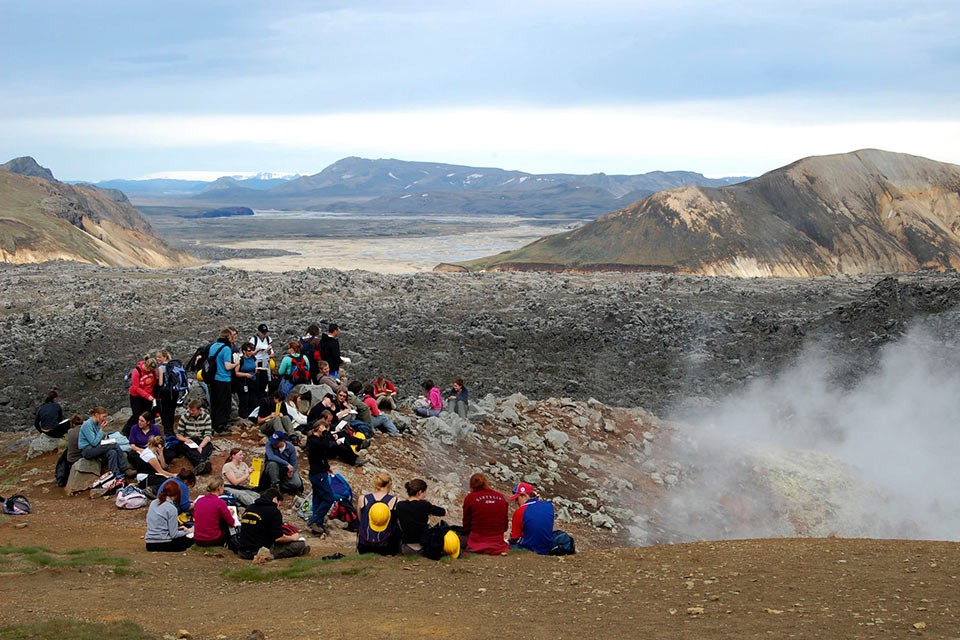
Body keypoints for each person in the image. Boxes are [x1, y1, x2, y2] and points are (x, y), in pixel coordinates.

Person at [235, 488, 309, 560]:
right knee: (299, 545)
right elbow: (279, 538)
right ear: (275, 499)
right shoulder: (274, 511)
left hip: (242, 550)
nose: (278, 507)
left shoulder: (250, 507)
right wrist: (293, 538)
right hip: (259, 550)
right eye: (279, 504)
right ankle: (298, 551)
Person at [396, 479, 446, 555]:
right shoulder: (424, 504)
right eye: (424, 492)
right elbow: (442, 512)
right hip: (423, 547)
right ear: (419, 492)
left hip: (406, 548)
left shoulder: (400, 505)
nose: (425, 495)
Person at [461, 473, 509, 555]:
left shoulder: (470, 498)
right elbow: (505, 525)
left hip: (477, 540)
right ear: (486, 482)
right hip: (498, 541)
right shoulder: (501, 497)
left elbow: (466, 523)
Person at [79, 406, 129, 482]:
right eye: (103, 416)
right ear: (97, 415)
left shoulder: (98, 423)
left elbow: (98, 440)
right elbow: (94, 442)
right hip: (87, 449)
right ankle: (124, 468)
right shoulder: (87, 425)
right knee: (115, 445)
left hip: (95, 447)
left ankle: (115, 474)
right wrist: (102, 429)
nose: (104, 419)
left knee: (112, 452)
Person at [305, 421, 336, 536]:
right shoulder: (313, 440)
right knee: (329, 498)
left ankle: (318, 525)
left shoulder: (318, 440)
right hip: (317, 474)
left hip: (320, 472)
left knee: (318, 499)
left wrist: (327, 467)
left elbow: (322, 454)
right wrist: (326, 434)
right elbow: (325, 445)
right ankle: (313, 520)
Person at [357, 472, 399, 555]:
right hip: (386, 545)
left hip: (365, 544)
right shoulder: (395, 501)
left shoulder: (363, 499)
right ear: (389, 485)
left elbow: (360, 519)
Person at [507, 482, 555, 555]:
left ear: (525, 496)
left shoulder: (520, 512)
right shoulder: (549, 506)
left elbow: (514, 538)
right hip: (547, 548)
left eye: (517, 499)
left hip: (528, 548)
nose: (516, 502)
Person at [145, 481, 193, 552]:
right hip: (163, 543)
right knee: (190, 540)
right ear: (177, 494)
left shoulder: (153, 503)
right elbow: (174, 535)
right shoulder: (171, 508)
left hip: (149, 543)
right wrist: (189, 531)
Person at [193, 477, 238, 547]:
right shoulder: (220, 502)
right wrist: (229, 514)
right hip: (212, 539)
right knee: (225, 523)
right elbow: (231, 522)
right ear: (219, 488)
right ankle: (231, 546)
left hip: (198, 539)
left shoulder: (199, 500)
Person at [208, 329, 237, 433]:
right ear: (228, 337)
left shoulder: (213, 346)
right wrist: (237, 363)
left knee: (215, 402)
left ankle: (214, 423)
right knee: (224, 403)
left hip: (213, 379)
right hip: (224, 378)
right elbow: (227, 366)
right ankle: (221, 426)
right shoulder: (226, 349)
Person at [173, 399, 213, 474]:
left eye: (193, 410)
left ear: (199, 410)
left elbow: (208, 435)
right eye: (190, 410)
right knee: (187, 449)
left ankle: (200, 464)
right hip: (189, 440)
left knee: (208, 446)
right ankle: (202, 462)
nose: (191, 412)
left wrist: (201, 446)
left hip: (200, 440)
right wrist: (185, 440)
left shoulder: (206, 417)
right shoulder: (184, 417)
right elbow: (178, 434)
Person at [122, 357, 157, 435]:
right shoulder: (137, 371)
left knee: (146, 414)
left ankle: (144, 431)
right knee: (137, 415)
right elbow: (136, 387)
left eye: (152, 370)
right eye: (149, 370)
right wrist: (147, 395)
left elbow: (153, 383)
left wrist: (152, 395)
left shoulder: (153, 371)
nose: (150, 371)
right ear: (146, 366)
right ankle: (127, 430)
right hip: (136, 396)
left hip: (148, 396)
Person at [234, 342, 259, 420]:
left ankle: (252, 417)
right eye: (249, 351)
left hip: (253, 381)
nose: (251, 352)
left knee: (253, 400)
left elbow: (255, 367)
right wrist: (245, 374)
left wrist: (257, 371)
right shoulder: (241, 360)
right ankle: (243, 417)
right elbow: (236, 373)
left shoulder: (253, 358)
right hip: (243, 382)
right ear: (244, 351)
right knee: (244, 400)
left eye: (252, 350)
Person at [153, 350, 176, 436]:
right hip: (174, 392)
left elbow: (160, 383)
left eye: (159, 357)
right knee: (171, 412)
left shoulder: (161, 368)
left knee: (165, 412)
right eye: (157, 357)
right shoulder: (173, 365)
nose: (158, 359)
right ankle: (171, 431)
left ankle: (167, 431)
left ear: (165, 357)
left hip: (165, 393)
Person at [249, 324, 274, 400]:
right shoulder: (254, 340)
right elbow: (250, 353)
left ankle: (263, 398)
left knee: (264, 381)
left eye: (265, 332)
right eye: (263, 333)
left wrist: (269, 350)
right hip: (257, 362)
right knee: (257, 382)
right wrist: (258, 350)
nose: (264, 334)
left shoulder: (268, 339)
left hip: (265, 362)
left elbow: (271, 354)